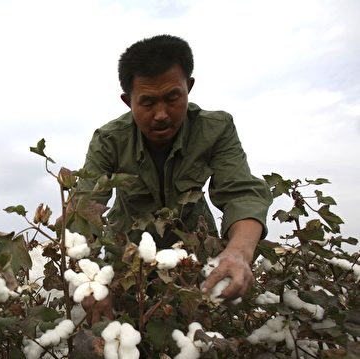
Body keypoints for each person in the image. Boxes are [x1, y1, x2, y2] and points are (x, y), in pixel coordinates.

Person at [76, 35, 272, 321]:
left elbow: (241, 194)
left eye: (172, 98)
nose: (161, 115)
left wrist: (238, 252)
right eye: (147, 102)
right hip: (128, 259)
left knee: (202, 329)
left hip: (194, 256)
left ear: (188, 87)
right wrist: (91, 280)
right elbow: (84, 212)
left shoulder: (215, 129)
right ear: (127, 101)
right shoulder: (109, 140)